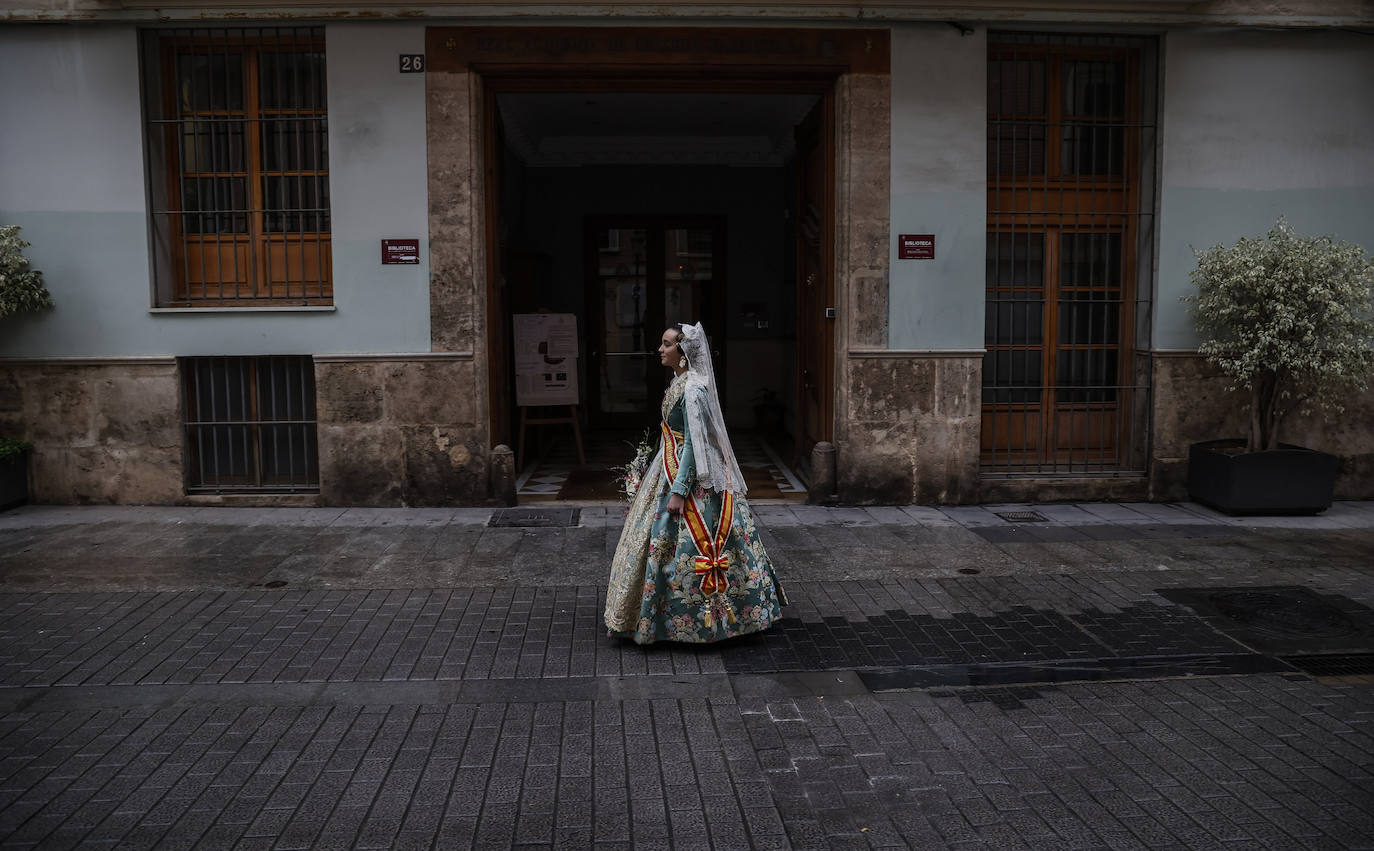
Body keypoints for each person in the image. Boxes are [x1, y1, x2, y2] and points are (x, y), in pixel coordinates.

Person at [604, 322, 788, 644]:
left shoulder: (692, 389)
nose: (660, 350)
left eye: (666, 344)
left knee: (682, 545)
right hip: (668, 463)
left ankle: (704, 620)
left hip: (685, 477)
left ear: (683, 352)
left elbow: (693, 444)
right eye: (662, 344)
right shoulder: (680, 382)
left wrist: (678, 491)